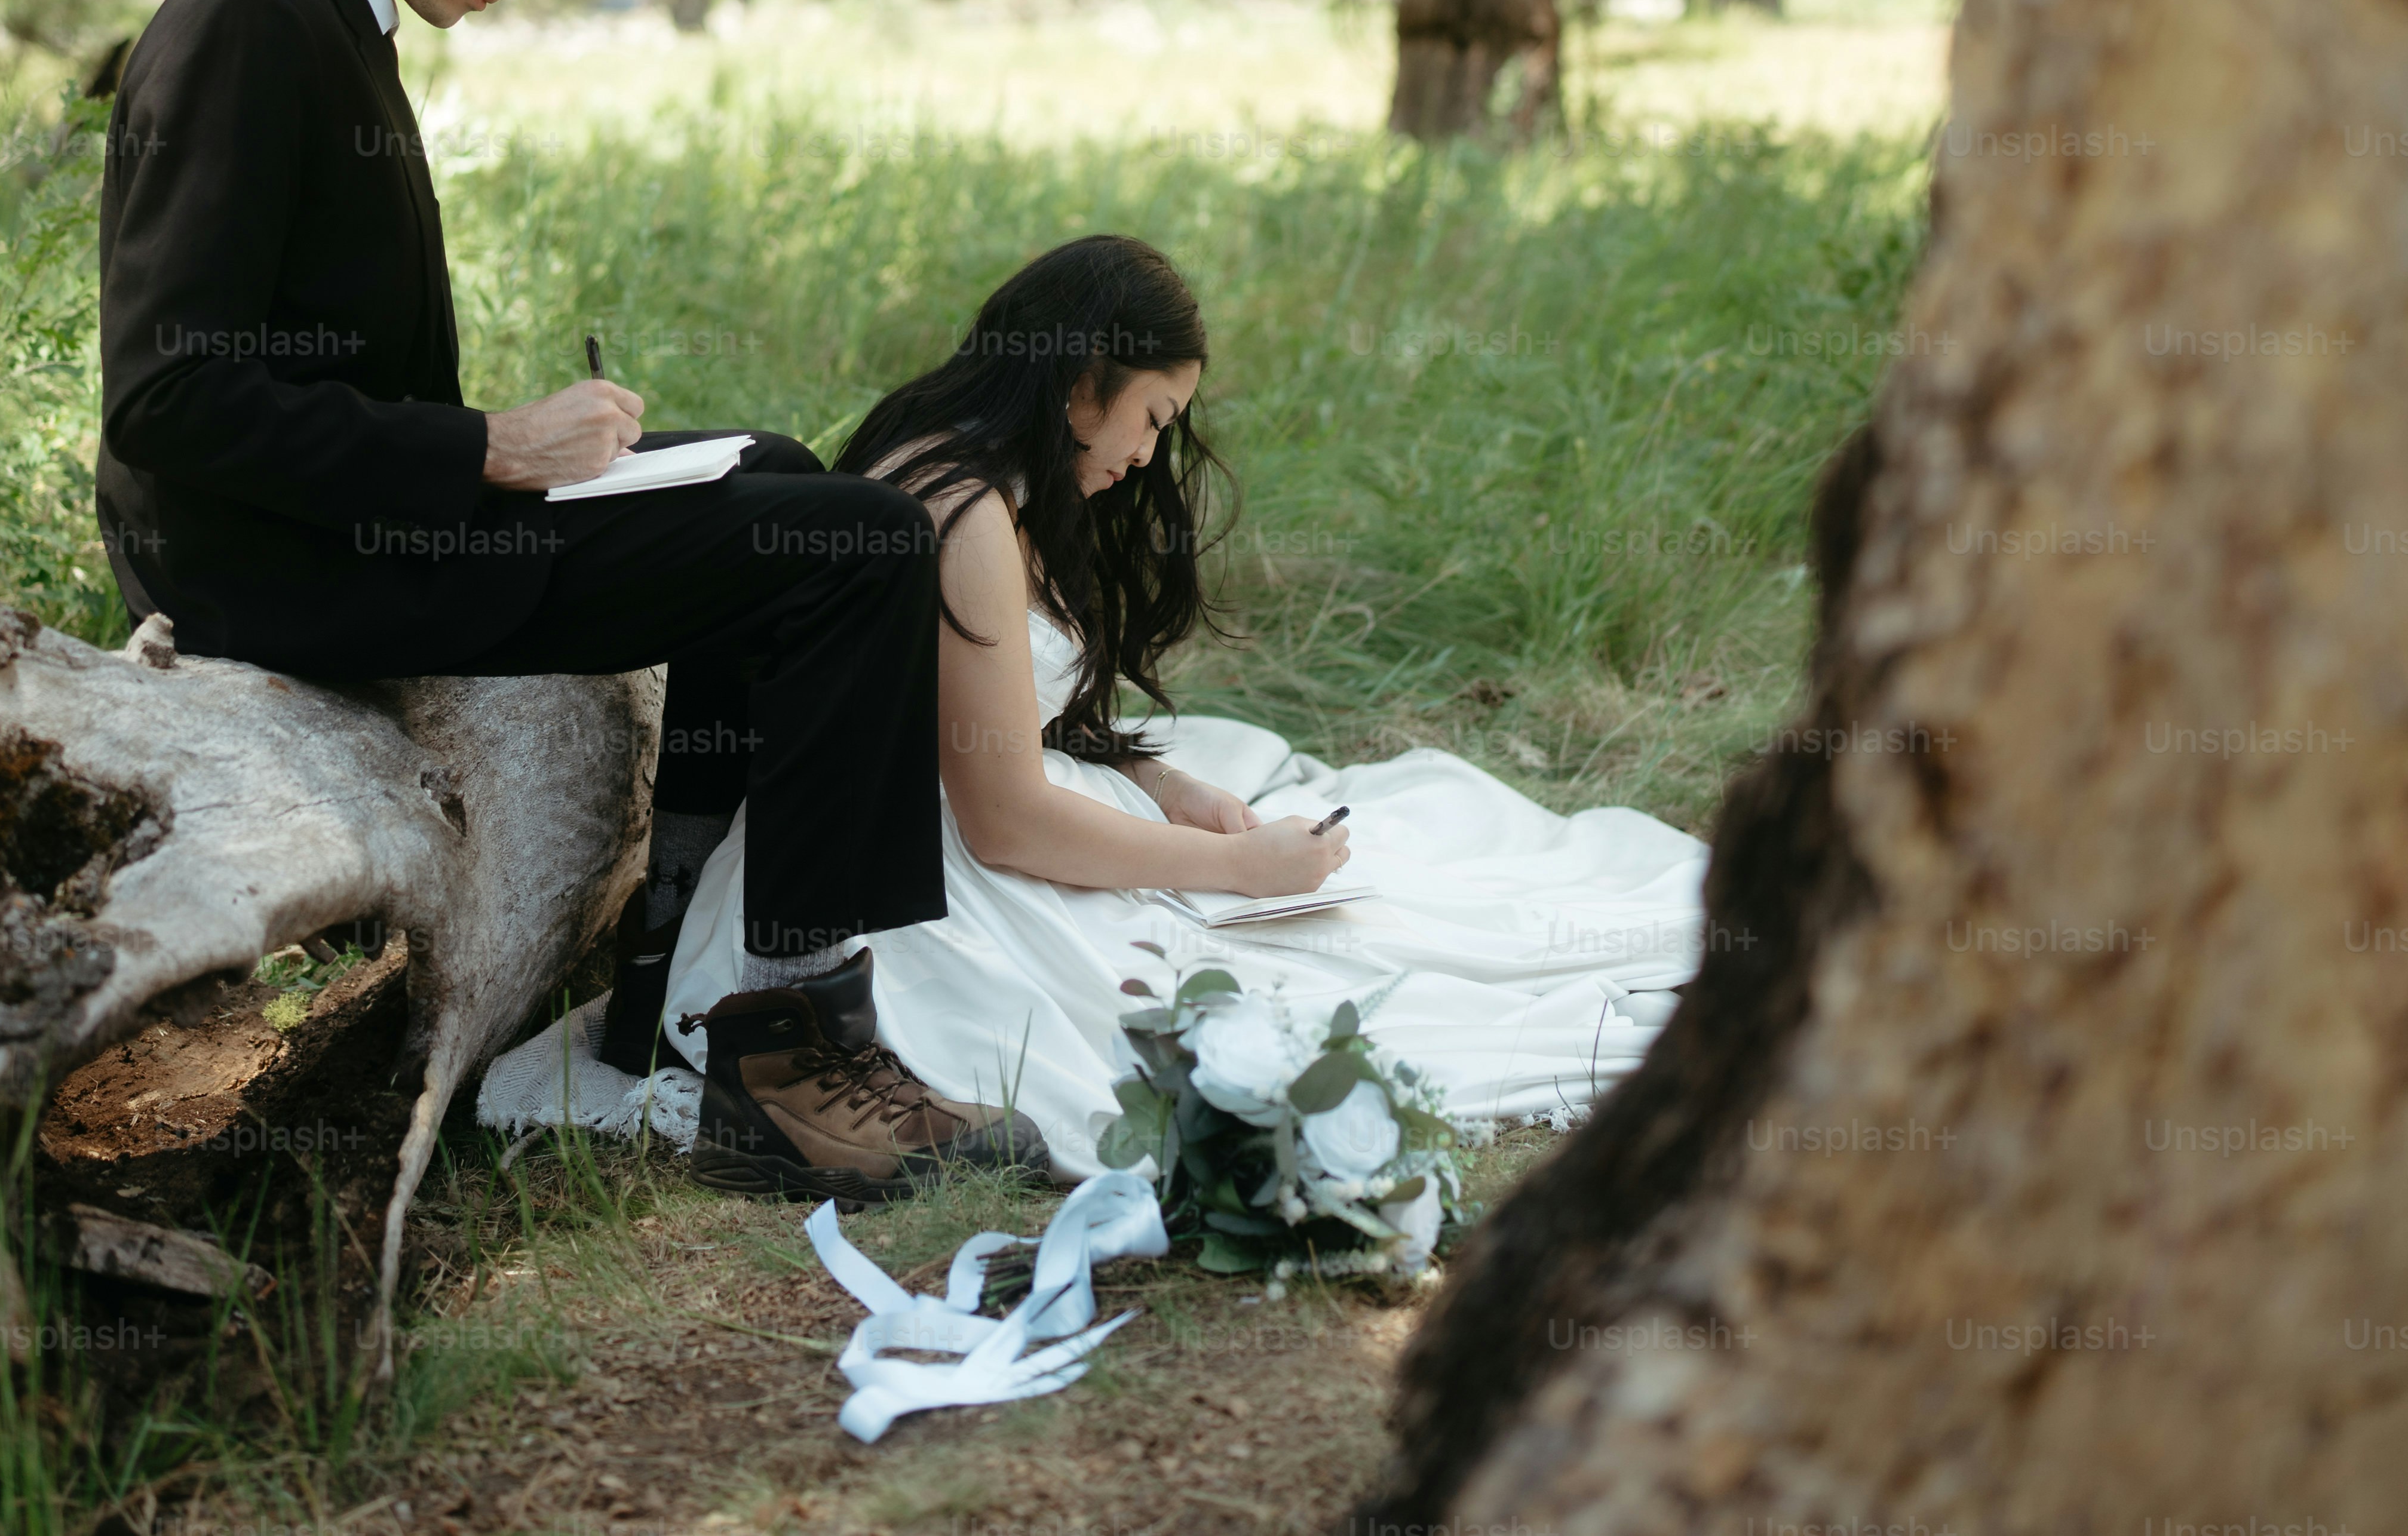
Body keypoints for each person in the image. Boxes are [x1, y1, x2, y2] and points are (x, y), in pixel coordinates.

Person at [92, 0, 1045, 1203]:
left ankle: (674, 965)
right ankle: (790, 1054)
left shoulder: (325, 8)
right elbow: (164, 399)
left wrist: (509, 448)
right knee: (859, 540)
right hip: (288, 569)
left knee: (784, 472)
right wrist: (483, 448)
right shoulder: (254, 18)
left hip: (353, 524)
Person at [487, 235, 1710, 1175]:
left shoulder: (968, 463)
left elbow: (1006, 712)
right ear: (1083, 380)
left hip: (947, 830)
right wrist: (1243, 871)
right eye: (1151, 418)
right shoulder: (959, 511)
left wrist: (1152, 775)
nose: (1145, 455)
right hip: (934, 891)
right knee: (1325, 978)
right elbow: (1009, 818)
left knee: (1372, 906)